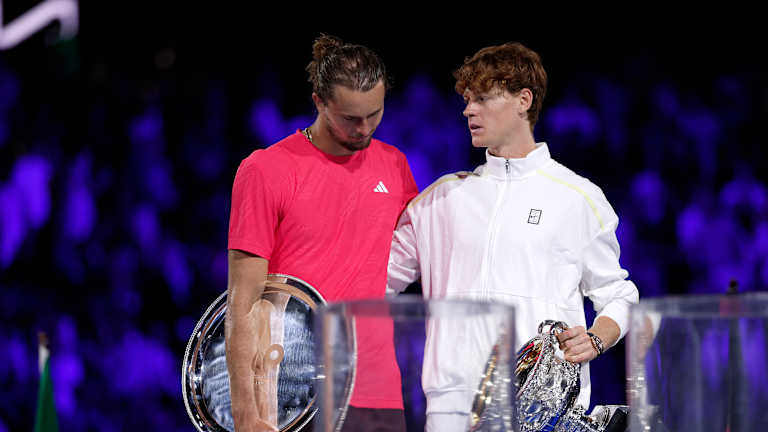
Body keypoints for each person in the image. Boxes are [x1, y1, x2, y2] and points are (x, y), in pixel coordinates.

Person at [387, 42, 639, 431]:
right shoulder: (438, 200)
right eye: (467, 100)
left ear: (524, 100)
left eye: (483, 98)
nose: (468, 110)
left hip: (541, 411)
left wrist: (595, 339)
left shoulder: (577, 197)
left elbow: (618, 294)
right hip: (450, 410)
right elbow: (375, 279)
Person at [226, 34, 418, 431]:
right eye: (350, 118)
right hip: (293, 395)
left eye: (374, 114)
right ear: (319, 101)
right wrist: (245, 415)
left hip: (378, 394)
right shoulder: (265, 170)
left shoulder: (394, 164)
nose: (364, 128)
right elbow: (243, 301)